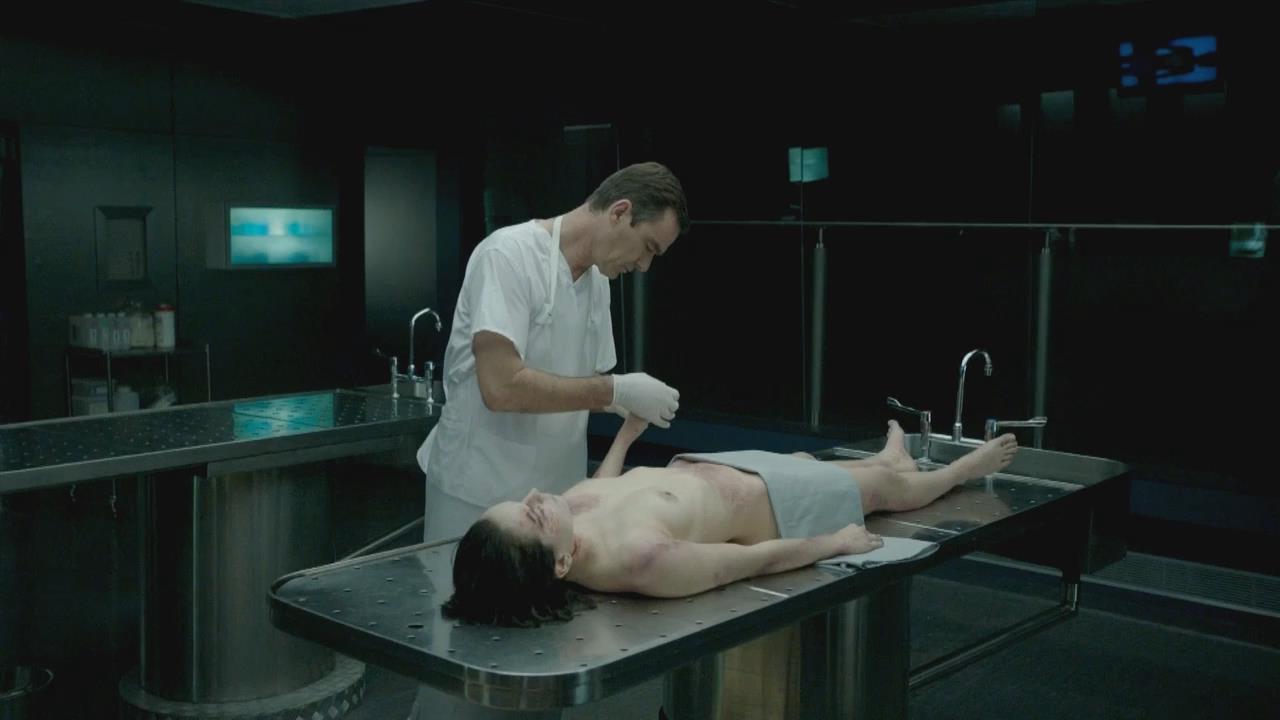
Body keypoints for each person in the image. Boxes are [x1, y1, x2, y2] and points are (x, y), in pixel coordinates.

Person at [409, 162, 689, 720]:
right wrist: (615, 390)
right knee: (461, 661)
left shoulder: (597, 284)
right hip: (478, 496)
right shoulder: (508, 256)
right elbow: (501, 386)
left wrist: (626, 413)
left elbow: (587, 388)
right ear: (620, 212)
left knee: (543, 659)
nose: (643, 266)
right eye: (648, 248)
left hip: (553, 510)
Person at [443, 416, 1019, 627]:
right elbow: (741, 564)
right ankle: (961, 470)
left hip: (724, 468)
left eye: (522, 500)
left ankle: (888, 458)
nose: (537, 495)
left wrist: (625, 437)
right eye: (533, 513)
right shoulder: (642, 560)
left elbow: (603, 482)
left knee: (810, 460)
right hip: (774, 507)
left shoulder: (568, 514)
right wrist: (832, 543)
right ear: (561, 564)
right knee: (888, 494)